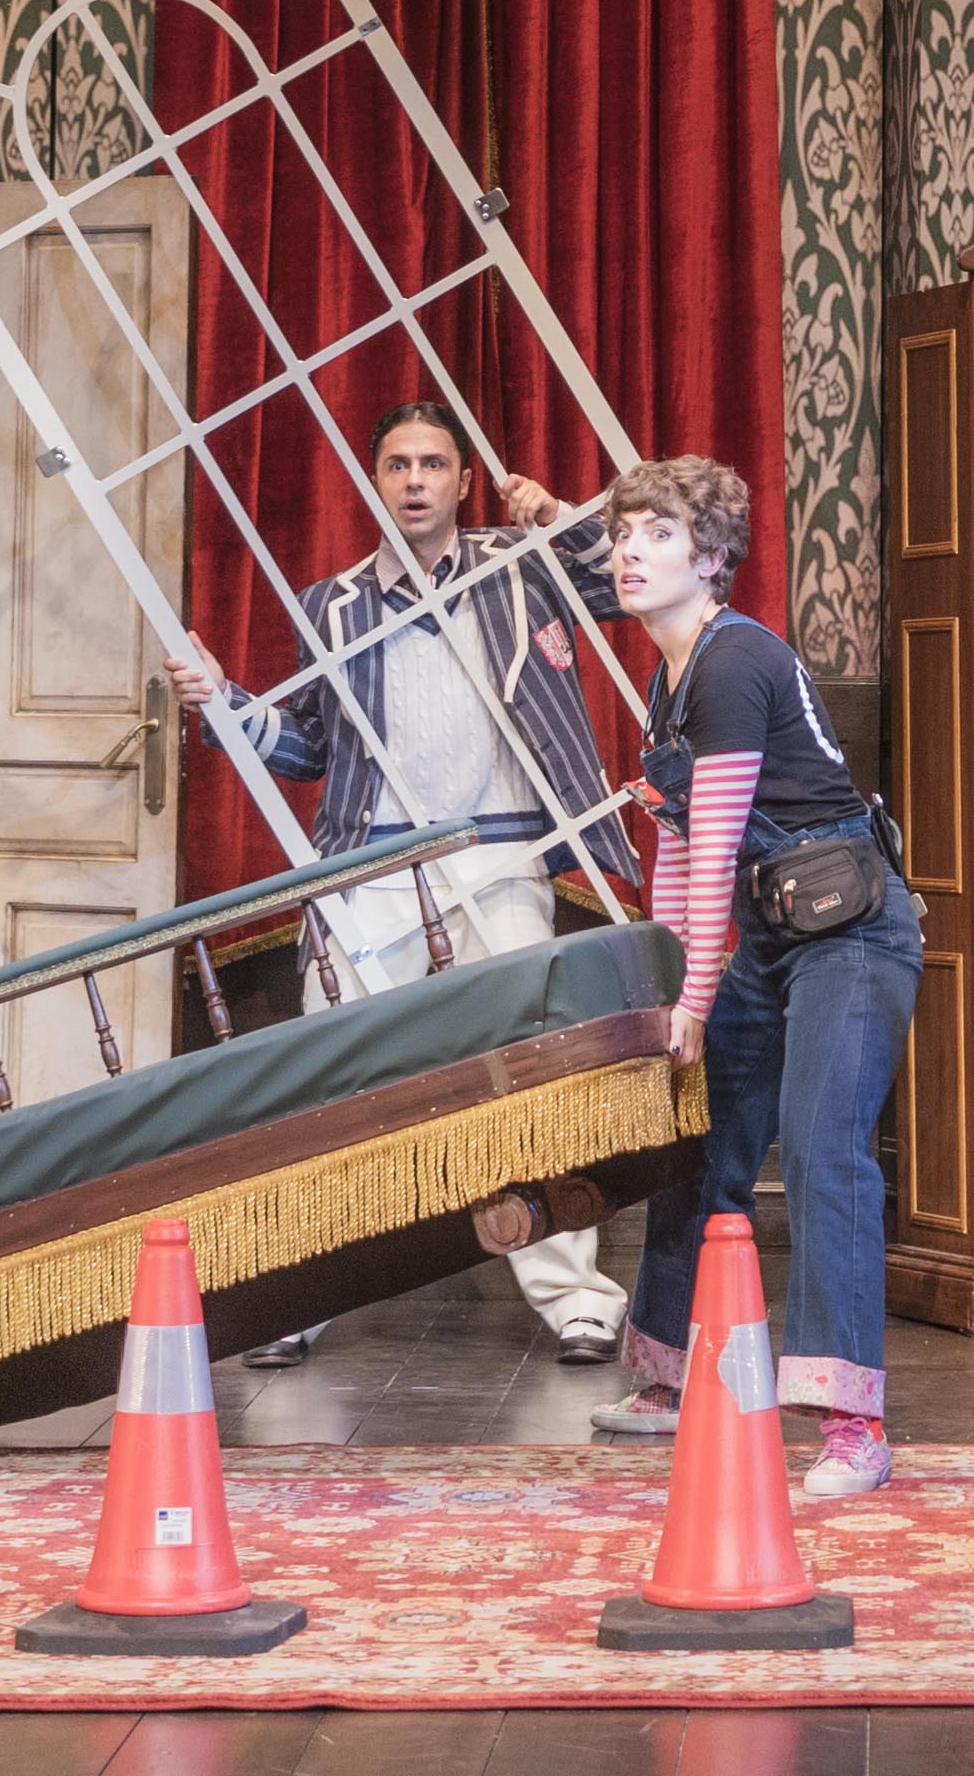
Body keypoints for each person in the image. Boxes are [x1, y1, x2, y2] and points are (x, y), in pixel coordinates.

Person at [164, 400, 637, 1364]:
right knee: (334, 1083)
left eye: (433, 463)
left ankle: (576, 1298)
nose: (415, 479)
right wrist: (226, 705)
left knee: (529, 1080)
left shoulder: (520, 566)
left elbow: (626, 583)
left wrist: (555, 518)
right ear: (373, 480)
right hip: (371, 868)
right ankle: (300, 1294)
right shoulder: (331, 604)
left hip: (500, 857)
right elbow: (311, 750)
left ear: (462, 481)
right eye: (397, 464)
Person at [583, 456, 917, 1500]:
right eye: (623, 532)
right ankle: (672, 1373)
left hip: (851, 932)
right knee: (701, 1139)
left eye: (659, 533)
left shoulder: (733, 662)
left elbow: (719, 840)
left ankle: (853, 1423)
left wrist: (695, 998)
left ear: (713, 556)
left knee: (822, 1150)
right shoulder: (670, 677)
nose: (630, 551)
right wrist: (675, 990)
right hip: (771, 936)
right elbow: (681, 850)